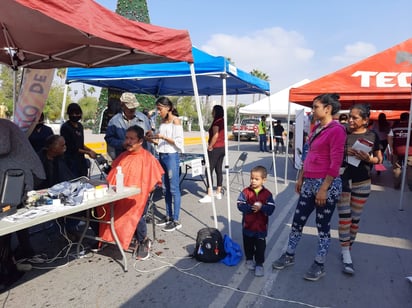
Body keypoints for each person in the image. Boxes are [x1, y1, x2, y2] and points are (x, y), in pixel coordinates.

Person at [272, 93, 346, 281]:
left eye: (315, 107)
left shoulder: (337, 130)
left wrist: (324, 188)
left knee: (322, 226)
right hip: (309, 183)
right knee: (297, 221)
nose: (313, 110)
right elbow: (308, 155)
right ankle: (289, 255)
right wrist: (300, 178)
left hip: (325, 185)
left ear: (327, 108)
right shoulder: (317, 128)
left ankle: (319, 264)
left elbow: (335, 162)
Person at [97, 125, 164, 255]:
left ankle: (143, 240)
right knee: (99, 207)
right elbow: (111, 178)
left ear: (140, 141)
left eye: (132, 139)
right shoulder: (122, 156)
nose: (128, 141)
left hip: (138, 198)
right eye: (127, 138)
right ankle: (105, 238)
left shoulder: (148, 158)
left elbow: (153, 183)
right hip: (117, 195)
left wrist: (143, 192)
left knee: (135, 212)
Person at [0, 119, 45, 290]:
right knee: (11, 220)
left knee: (7, 220)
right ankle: (16, 258)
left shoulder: (2, 125)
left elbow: (3, 147)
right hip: (11, 176)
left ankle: (7, 267)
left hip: (21, 176)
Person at [337, 104, 382, 275]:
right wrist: (344, 151)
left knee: (355, 219)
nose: (350, 120)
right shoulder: (342, 133)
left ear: (365, 120)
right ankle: (346, 253)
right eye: (349, 116)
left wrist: (369, 159)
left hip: (362, 182)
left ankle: (348, 247)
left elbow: (379, 158)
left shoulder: (372, 135)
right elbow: (330, 152)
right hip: (342, 181)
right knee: (345, 218)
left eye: (355, 117)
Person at [152, 97, 184, 232]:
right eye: (158, 110)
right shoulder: (163, 122)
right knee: (165, 188)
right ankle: (168, 215)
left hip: (171, 157)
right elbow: (161, 143)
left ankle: (176, 220)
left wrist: (162, 137)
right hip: (162, 155)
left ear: (168, 108)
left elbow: (178, 143)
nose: (158, 112)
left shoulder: (175, 121)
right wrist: (151, 138)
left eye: (160, 109)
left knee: (174, 188)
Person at [237, 166, 275, 277]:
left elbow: (271, 208)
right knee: (248, 244)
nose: (253, 181)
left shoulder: (267, 194)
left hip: (261, 228)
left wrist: (262, 207)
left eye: (256, 179)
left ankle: (259, 264)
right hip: (248, 226)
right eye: (252, 178)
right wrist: (250, 208)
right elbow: (240, 204)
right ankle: (249, 259)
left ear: (264, 180)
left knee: (260, 247)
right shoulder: (245, 192)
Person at [105, 92, 152, 160]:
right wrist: (121, 143)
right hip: (123, 159)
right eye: (130, 107)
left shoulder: (143, 118)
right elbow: (109, 138)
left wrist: (150, 135)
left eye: (134, 107)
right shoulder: (114, 121)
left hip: (141, 159)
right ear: (122, 105)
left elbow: (150, 135)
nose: (132, 109)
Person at [60, 103, 97, 178]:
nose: (75, 115)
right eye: (72, 113)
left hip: (81, 160)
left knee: (84, 178)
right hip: (70, 161)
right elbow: (71, 147)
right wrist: (88, 152)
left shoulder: (80, 126)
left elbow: (80, 144)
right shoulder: (66, 127)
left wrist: (90, 150)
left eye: (77, 113)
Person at [199, 105, 225, 203]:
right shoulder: (222, 120)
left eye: (213, 110)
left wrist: (210, 145)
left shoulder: (217, 121)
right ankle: (218, 192)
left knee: (208, 170)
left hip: (216, 148)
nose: (212, 112)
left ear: (216, 112)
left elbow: (216, 134)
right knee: (218, 169)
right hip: (222, 148)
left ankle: (209, 194)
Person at [387, 112, 412, 190]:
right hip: (410, 151)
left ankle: (397, 185)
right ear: (408, 118)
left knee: (397, 168)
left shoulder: (395, 127)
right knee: (410, 168)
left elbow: (389, 137)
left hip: (397, 151)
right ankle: (410, 185)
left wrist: (391, 148)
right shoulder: (411, 126)